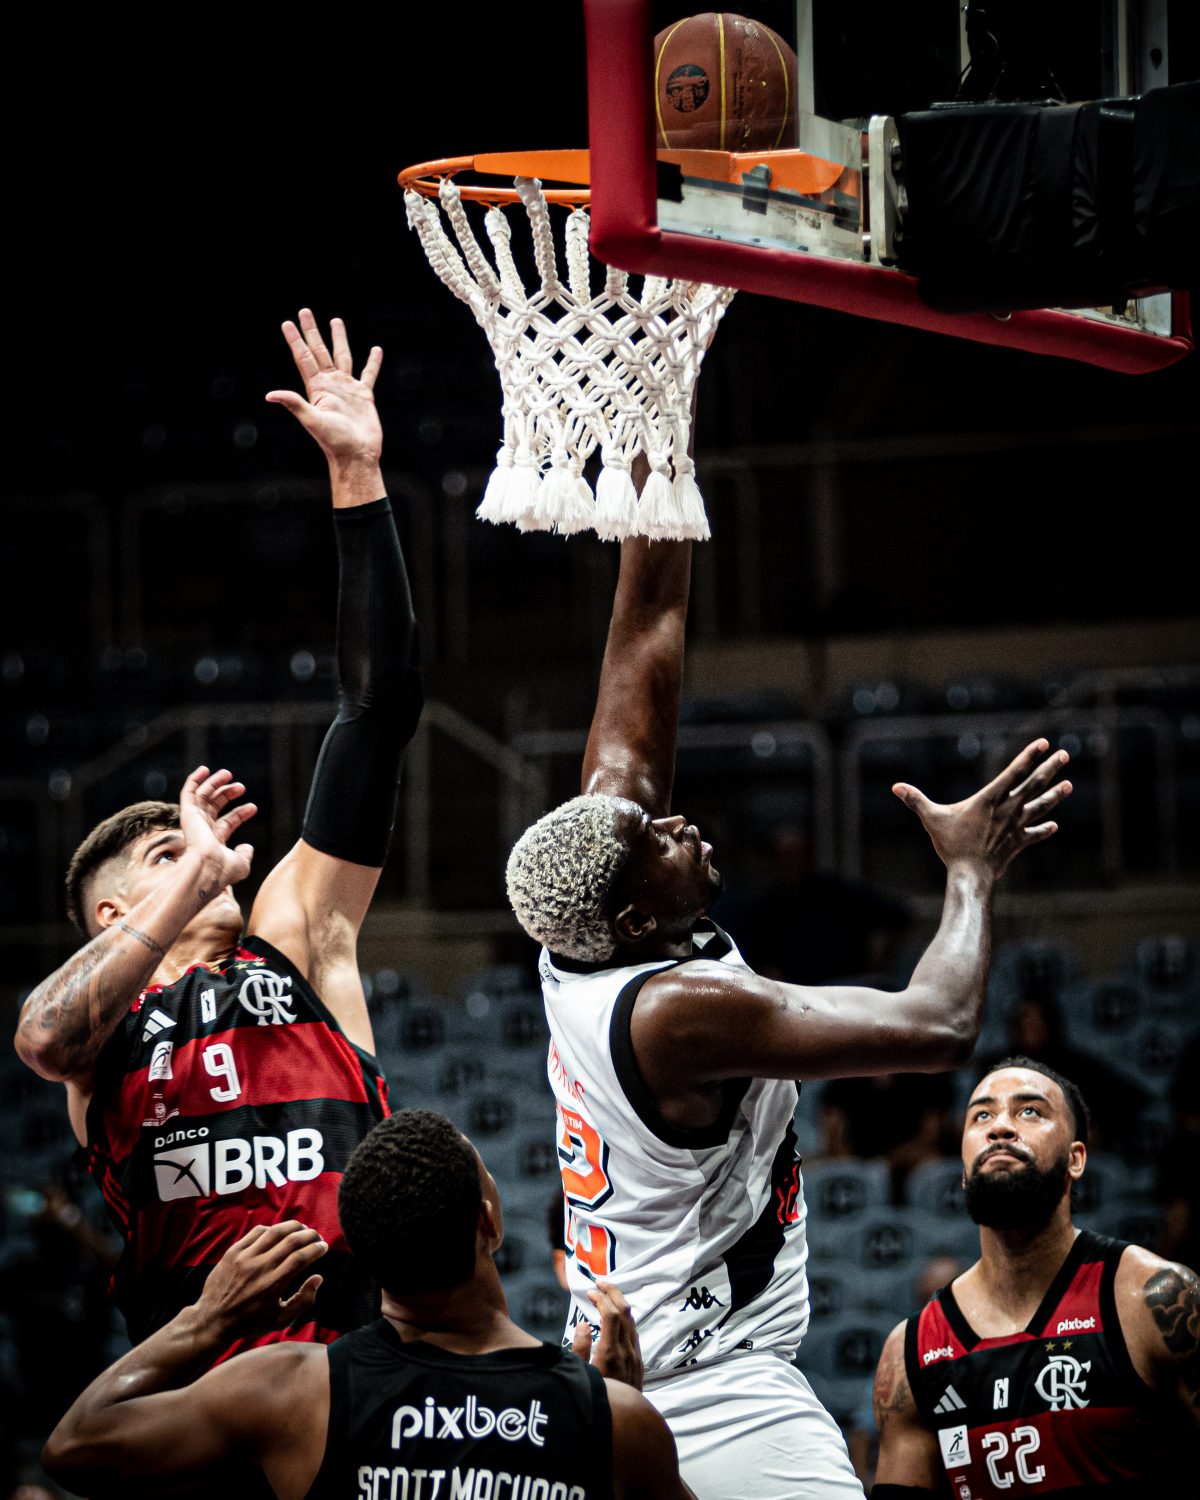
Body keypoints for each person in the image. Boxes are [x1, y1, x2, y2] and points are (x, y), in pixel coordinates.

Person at [504, 512, 1072, 1499]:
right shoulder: (677, 1012)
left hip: (628, 1361)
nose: (680, 822)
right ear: (639, 916)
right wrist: (973, 872)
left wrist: (657, 460)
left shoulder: (589, 914)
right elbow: (935, 1026)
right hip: (703, 1390)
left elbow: (643, 633)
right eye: (663, 841)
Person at [14, 311, 421, 1360]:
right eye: (164, 852)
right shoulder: (95, 1037)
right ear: (113, 915)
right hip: (195, 1387)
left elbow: (377, 710)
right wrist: (192, 872)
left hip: (353, 1370)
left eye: (195, 846)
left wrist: (359, 479)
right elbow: (45, 1038)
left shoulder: (292, 936)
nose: (204, 854)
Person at [43, 1109, 694, 1500]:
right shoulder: (609, 1417)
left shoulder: (294, 1392)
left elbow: (75, 1446)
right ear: (490, 1224)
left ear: (365, 1256)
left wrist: (208, 1319)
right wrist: (607, 1423)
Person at [871, 1057, 1199, 1496]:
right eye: (981, 1115)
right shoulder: (912, 1350)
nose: (1000, 1127)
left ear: (1076, 1159)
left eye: (1030, 1111)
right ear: (964, 1171)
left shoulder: (1158, 1301)